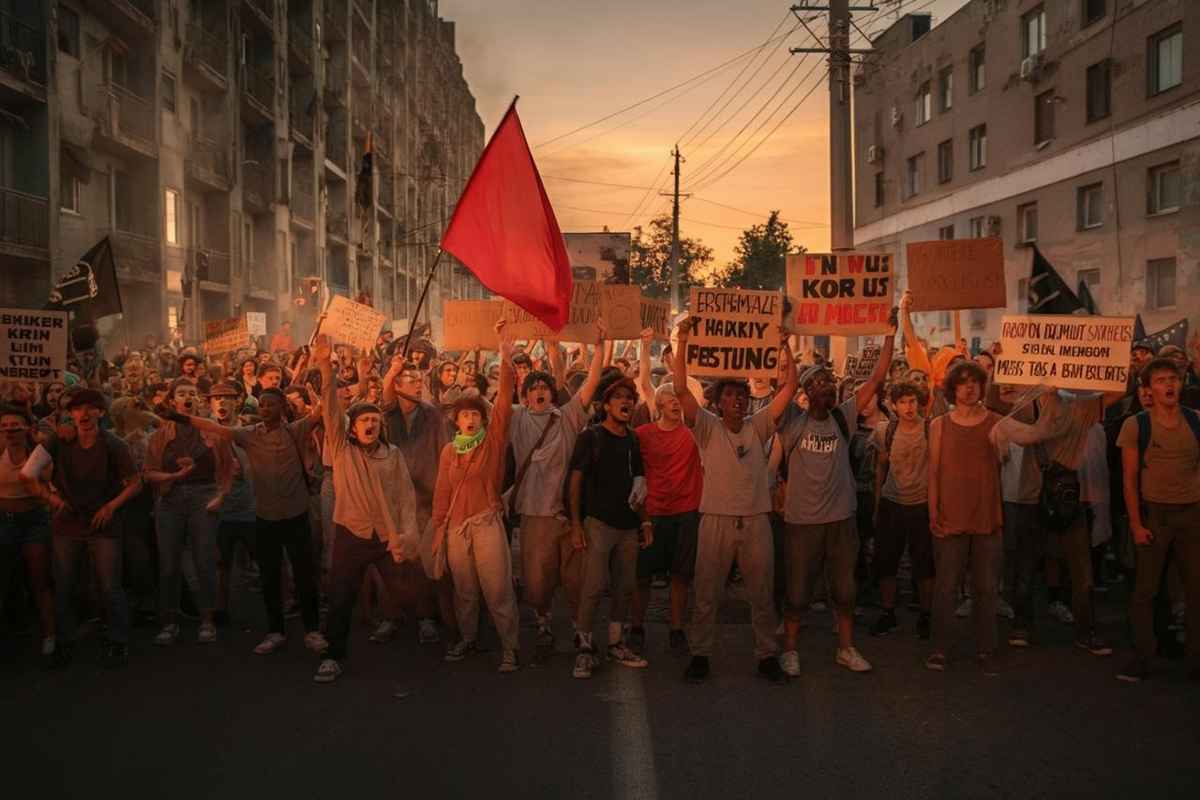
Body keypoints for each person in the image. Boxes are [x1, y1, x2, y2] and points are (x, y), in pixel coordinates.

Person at [673, 317, 796, 685]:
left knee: (762, 592)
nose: (737, 400)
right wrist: (681, 341)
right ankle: (700, 654)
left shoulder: (758, 426)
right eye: (729, 395)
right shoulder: (706, 427)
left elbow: (789, 388)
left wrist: (785, 347)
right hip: (715, 520)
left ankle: (766, 655)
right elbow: (680, 390)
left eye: (741, 395)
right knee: (707, 590)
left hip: (757, 519)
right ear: (718, 401)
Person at [162, 387, 328, 657]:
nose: (264, 408)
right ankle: (275, 631)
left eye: (270, 404)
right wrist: (177, 417)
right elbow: (213, 426)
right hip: (264, 517)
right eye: (261, 404)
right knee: (269, 577)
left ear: (283, 407)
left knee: (303, 575)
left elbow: (322, 412)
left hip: (296, 515)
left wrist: (323, 373)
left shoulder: (296, 430)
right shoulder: (248, 435)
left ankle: (312, 631)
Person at [776, 309, 893, 677]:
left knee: (845, 590)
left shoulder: (844, 415)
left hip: (841, 521)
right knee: (797, 592)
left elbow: (876, 379)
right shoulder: (793, 423)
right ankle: (790, 651)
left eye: (829, 382)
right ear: (806, 394)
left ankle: (846, 648)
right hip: (802, 523)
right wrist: (784, 344)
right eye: (816, 383)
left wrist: (891, 333)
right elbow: (785, 386)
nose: (824, 387)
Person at [310, 334, 420, 683]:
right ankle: (332, 654)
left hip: (387, 535)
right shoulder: (343, 450)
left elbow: (404, 497)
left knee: (406, 589)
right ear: (352, 429)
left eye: (375, 420)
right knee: (341, 596)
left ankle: (422, 638)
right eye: (363, 421)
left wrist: (407, 533)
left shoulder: (393, 455)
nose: (370, 424)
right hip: (352, 532)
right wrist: (325, 364)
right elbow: (330, 407)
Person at [20, 389, 140, 669]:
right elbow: (27, 474)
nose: (84, 414)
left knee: (109, 585)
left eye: (90, 408)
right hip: (67, 523)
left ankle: (118, 639)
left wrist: (111, 507)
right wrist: (51, 499)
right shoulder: (59, 441)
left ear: (101, 412)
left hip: (103, 524)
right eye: (77, 409)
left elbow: (136, 482)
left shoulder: (113, 444)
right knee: (64, 585)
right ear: (70, 414)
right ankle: (65, 641)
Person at [507, 321, 607, 652]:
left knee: (576, 578)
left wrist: (599, 348)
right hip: (534, 514)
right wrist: (503, 350)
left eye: (545, 387)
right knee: (537, 580)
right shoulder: (516, 418)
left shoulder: (566, 417)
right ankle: (543, 620)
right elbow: (494, 407)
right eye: (533, 387)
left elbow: (590, 385)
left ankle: (581, 630)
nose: (539, 391)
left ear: (553, 393)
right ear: (524, 395)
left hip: (567, 514)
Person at [430, 321, 521, 672]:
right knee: (464, 590)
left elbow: (504, 400)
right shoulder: (450, 452)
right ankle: (467, 638)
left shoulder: (493, 441)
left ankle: (510, 647)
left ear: (483, 419)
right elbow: (442, 493)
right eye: (464, 414)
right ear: (456, 421)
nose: (469, 419)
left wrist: (504, 352)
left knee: (497, 588)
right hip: (455, 528)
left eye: (474, 414)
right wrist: (439, 527)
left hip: (486, 522)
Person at [1117, 358, 1200, 683]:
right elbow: (1129, 479)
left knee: (1196, 590)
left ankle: (1196, 659)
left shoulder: (1195, 421)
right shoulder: (1137, 426)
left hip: (1192, 514)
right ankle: (1143, 658)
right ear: (1149, 390)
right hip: (1155, 515)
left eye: (1173, 379)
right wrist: (1137, 525)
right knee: (1145, 592)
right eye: (1161, 380)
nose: (1169, 385)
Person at [568, 378, 651, 678]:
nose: (626, 402)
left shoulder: (632, 440)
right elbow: (575, 482)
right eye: (618, 397)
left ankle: (616, 643)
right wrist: (577, 524)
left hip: (628, 527)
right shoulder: (590, 437)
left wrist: (645, 520)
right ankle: (585, 648)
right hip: (598, 525)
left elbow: (639, 482)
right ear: (606, 405)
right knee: (592, 587)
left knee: (624, 587)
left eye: (630, 397)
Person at [379, 353, 452, 645]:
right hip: (395, 498)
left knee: (422, 561)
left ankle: (426, 618)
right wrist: (392, 371)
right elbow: (385, 398)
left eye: (420, 380)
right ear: (397, 384)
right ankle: (391, 616)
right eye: (410, 380)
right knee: (393, 559)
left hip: (426, 496)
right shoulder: (389, 414)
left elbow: (445, 453)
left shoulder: (433, 415)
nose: (418, 385)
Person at [631, 381, 703, 655]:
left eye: (678, 398)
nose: (675, 402)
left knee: (681, 576)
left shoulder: (695, 434)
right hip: (652, 515)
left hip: (686, 513)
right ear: (658, 405)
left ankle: (676, 629)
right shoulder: (641, 435)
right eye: (670, 398)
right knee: (642, 577)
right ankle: (636, 627)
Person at [871, 381, 934, 640]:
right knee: (886, 561)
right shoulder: (885, 430)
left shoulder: (931, 429)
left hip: (921, 504)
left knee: (924, 563)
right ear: (893, 405)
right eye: (903, 402)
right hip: (892, 503)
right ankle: (888, 613)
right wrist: (877, 505)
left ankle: (926, 615)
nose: (909, 407)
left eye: (913, 401)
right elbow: (880, 469)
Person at [0, 406, 55, 660]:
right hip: (4, 520)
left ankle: (49, 635)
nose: (10, 430)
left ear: (27, 428)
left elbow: (46, 480)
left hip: (35, 521)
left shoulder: (39, 453)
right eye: (5, 425)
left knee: (39, 579)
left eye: (15, 425)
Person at [206, 382, 257, 626]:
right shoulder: (204, 432)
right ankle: (220, 608)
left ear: (237, 401)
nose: (221, 403)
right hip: (219, 509)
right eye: (217, 399)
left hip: (250, 506)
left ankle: (277, 607)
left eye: (227, 398)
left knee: (265, 559)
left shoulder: (249, 430)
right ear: (210, 403)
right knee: (220, 562)